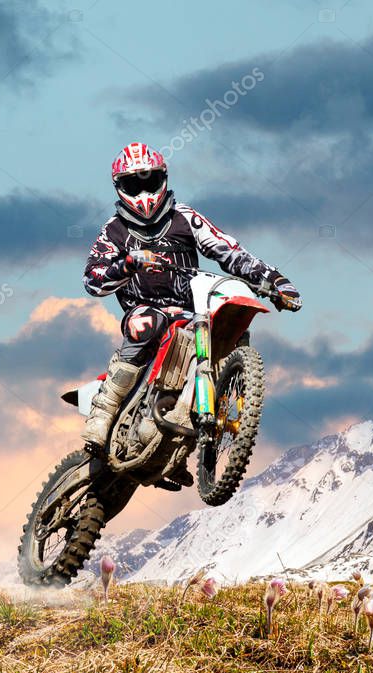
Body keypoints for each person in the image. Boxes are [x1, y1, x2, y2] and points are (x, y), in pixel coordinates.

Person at [81, 141, 301, 454]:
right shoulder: (114, 230)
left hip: (191, 310)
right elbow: (93, 279)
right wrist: (127, 263)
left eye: (149, 182)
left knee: (231, 326)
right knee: (147, 323)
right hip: (145, 310)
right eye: (134, 184)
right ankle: (102, 414)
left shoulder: (185, 218)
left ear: (163, 178)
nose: (144, 193)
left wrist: (275, 281)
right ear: (121, 187)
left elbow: (229, 251)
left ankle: (207, 423)